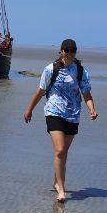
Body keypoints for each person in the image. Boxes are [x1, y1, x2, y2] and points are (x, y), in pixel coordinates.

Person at [23, 39, 98, 203]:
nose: (70, 53)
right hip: (54, 112)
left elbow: (86, 93)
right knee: (60, 149)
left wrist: (92, 108)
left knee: (63, 153)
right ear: (61, 51)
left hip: (73, 114)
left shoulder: (80, 71)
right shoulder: (51, 69)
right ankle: (61, 190)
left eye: (73, 51)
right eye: (67, 50)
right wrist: (29, 109)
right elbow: (41, 90)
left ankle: (57, 180)